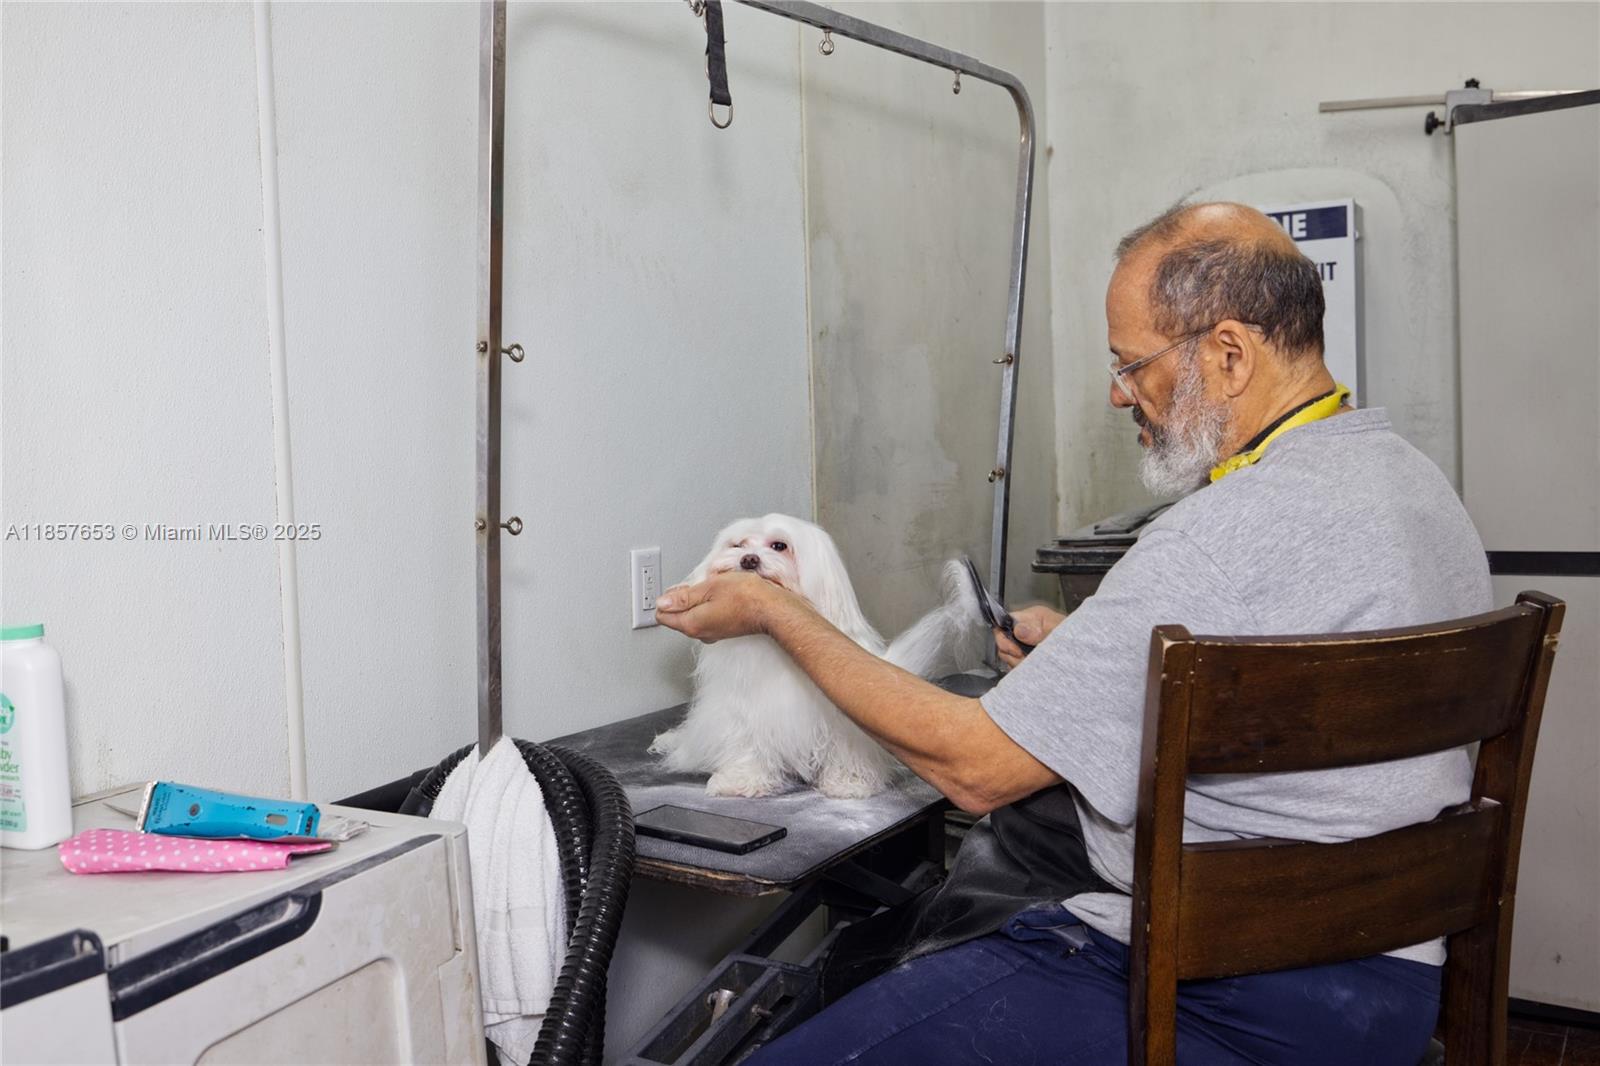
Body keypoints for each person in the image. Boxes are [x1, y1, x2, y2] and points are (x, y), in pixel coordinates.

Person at [654, 202, 1490, 1065]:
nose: (1118, 392)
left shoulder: (1215, 535)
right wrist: (1092, 655)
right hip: (1390, 978)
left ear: (1230, 355)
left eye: (1133, 364)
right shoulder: (1415, 485)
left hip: (1222, 985)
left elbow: (975, 770)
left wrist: (779, 615)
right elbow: (1286, 672)